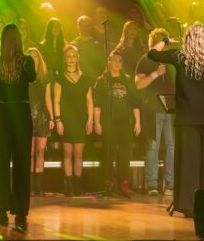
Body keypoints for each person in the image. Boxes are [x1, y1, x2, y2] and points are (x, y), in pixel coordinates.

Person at [148, 22, 204, 217]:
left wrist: (166, 41)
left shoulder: (179, 56)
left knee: (188, 162)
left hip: (188, 117)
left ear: (187, 39)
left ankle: (188, 204)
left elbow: (152, 54)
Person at [0, 24, 36, 231]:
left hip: (1, 114)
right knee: (22, 163)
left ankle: (2, 211)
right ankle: (20, 213)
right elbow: (33, 77)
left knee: (1, 162)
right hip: (20, 113)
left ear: (2, 41)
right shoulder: (27, 61)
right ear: (19, 41)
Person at [94, 50, 142, 196]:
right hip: (109, 122)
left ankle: (124, 184)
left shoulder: (127, 80)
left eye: (120, 61)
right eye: (114, 60)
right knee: (109, 153)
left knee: (125, 154)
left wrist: (138, 122)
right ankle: (109, 183)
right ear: (109, 62)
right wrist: (97, 122)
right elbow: (97, 104)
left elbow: (135, 102)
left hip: (125, 122)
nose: (117, 63)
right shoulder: (102, 80)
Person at [135, 28, 176, 196]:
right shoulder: (145, 60)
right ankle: (152, 184)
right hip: (153, 110)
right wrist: (156, 74)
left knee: (172, 147)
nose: (163, 46)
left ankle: (170, 185)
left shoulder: (172, 61)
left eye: (164, 42)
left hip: (171, 110)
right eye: (159, 41)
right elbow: (139, 85)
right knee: (153, 147)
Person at [54, 44, 94, 196]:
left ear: (78, 59)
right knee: (67, 153)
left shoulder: (86, 79)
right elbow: (56, 101)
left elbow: (90, 102)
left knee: (78, 154)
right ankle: (69, 187)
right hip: (65, 120)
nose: (71, 59)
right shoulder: (60, 78)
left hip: (80, 119)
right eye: (68, 56)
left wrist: (90, 120)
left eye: (74, 56)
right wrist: (58, 120)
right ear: (65, 59)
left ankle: (77, 186)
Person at [26, 47, 54, 196]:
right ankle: (30, 185)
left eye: (35, 56)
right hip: (27, 115)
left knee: (40, 151)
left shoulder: (45, 77)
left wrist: (52, 117)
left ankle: (39, 186)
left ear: (39, 59)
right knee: (29, 152)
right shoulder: (22, 76)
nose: (33, 59)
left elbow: (48, 98)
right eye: (30, 57)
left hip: (42, 116)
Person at [70, 15, 106, 82]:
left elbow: (104, 65)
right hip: (77, 82)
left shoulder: (98, 46)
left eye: (88, 25)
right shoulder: (72, 46)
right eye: (83, 25)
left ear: (91, 27)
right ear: (78, 27)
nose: (85, 28)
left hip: (95, 82)